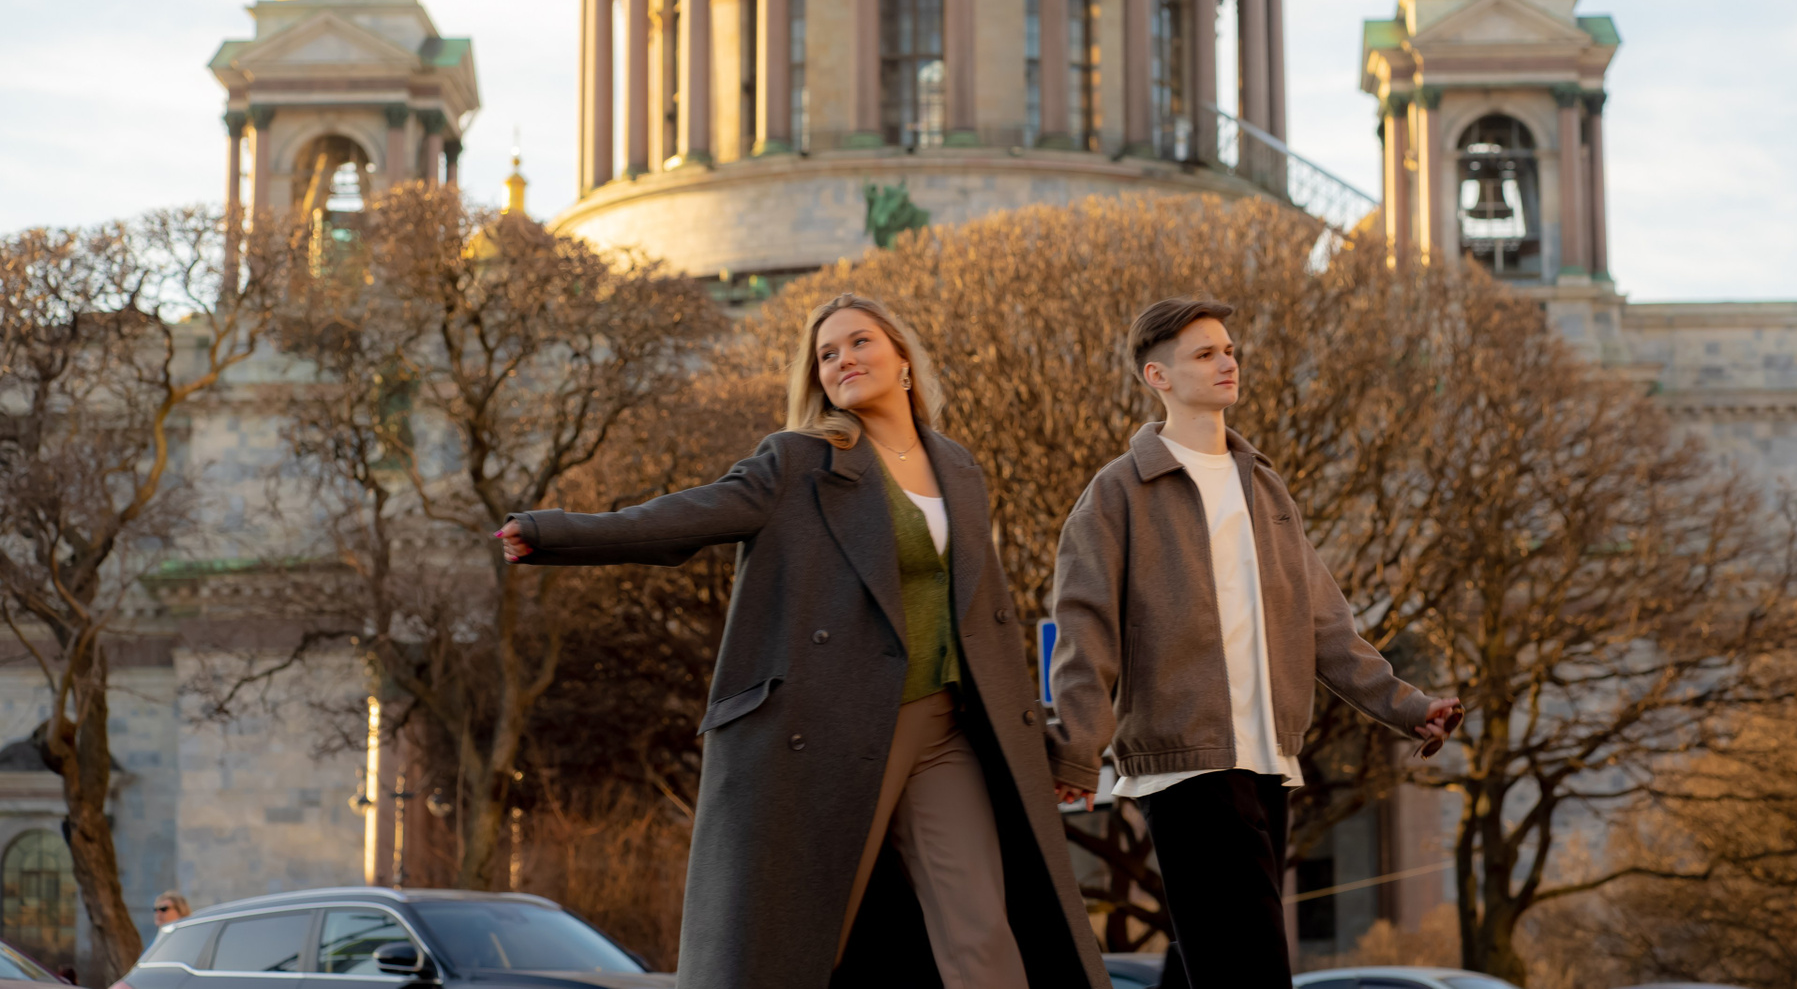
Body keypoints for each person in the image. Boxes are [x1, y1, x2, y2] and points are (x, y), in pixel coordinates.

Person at [496, 293, 1108, 989]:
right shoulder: (797, 463)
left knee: (981, 930)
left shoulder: (958, 468)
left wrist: (1055, 744)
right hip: (835, 732)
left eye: (860, 342)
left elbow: (985, 619)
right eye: (827, 354)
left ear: (903, 359)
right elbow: (685, 516)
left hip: (947, 731)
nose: (843, 359)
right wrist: (553, 532)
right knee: (805, 938)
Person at [1046, 297, 1461, 989]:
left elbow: (1325, 624)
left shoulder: (1263, 486)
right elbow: (1085, 628)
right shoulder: (1118, 492)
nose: (1227, 362)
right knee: (1252, 968)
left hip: (1267, 760)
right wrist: (1077, 748)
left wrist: (1408, 706)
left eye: (1230, 350)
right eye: (1205, 353)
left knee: (1222, 965)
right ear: (1158, 376)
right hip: (1186, 764)